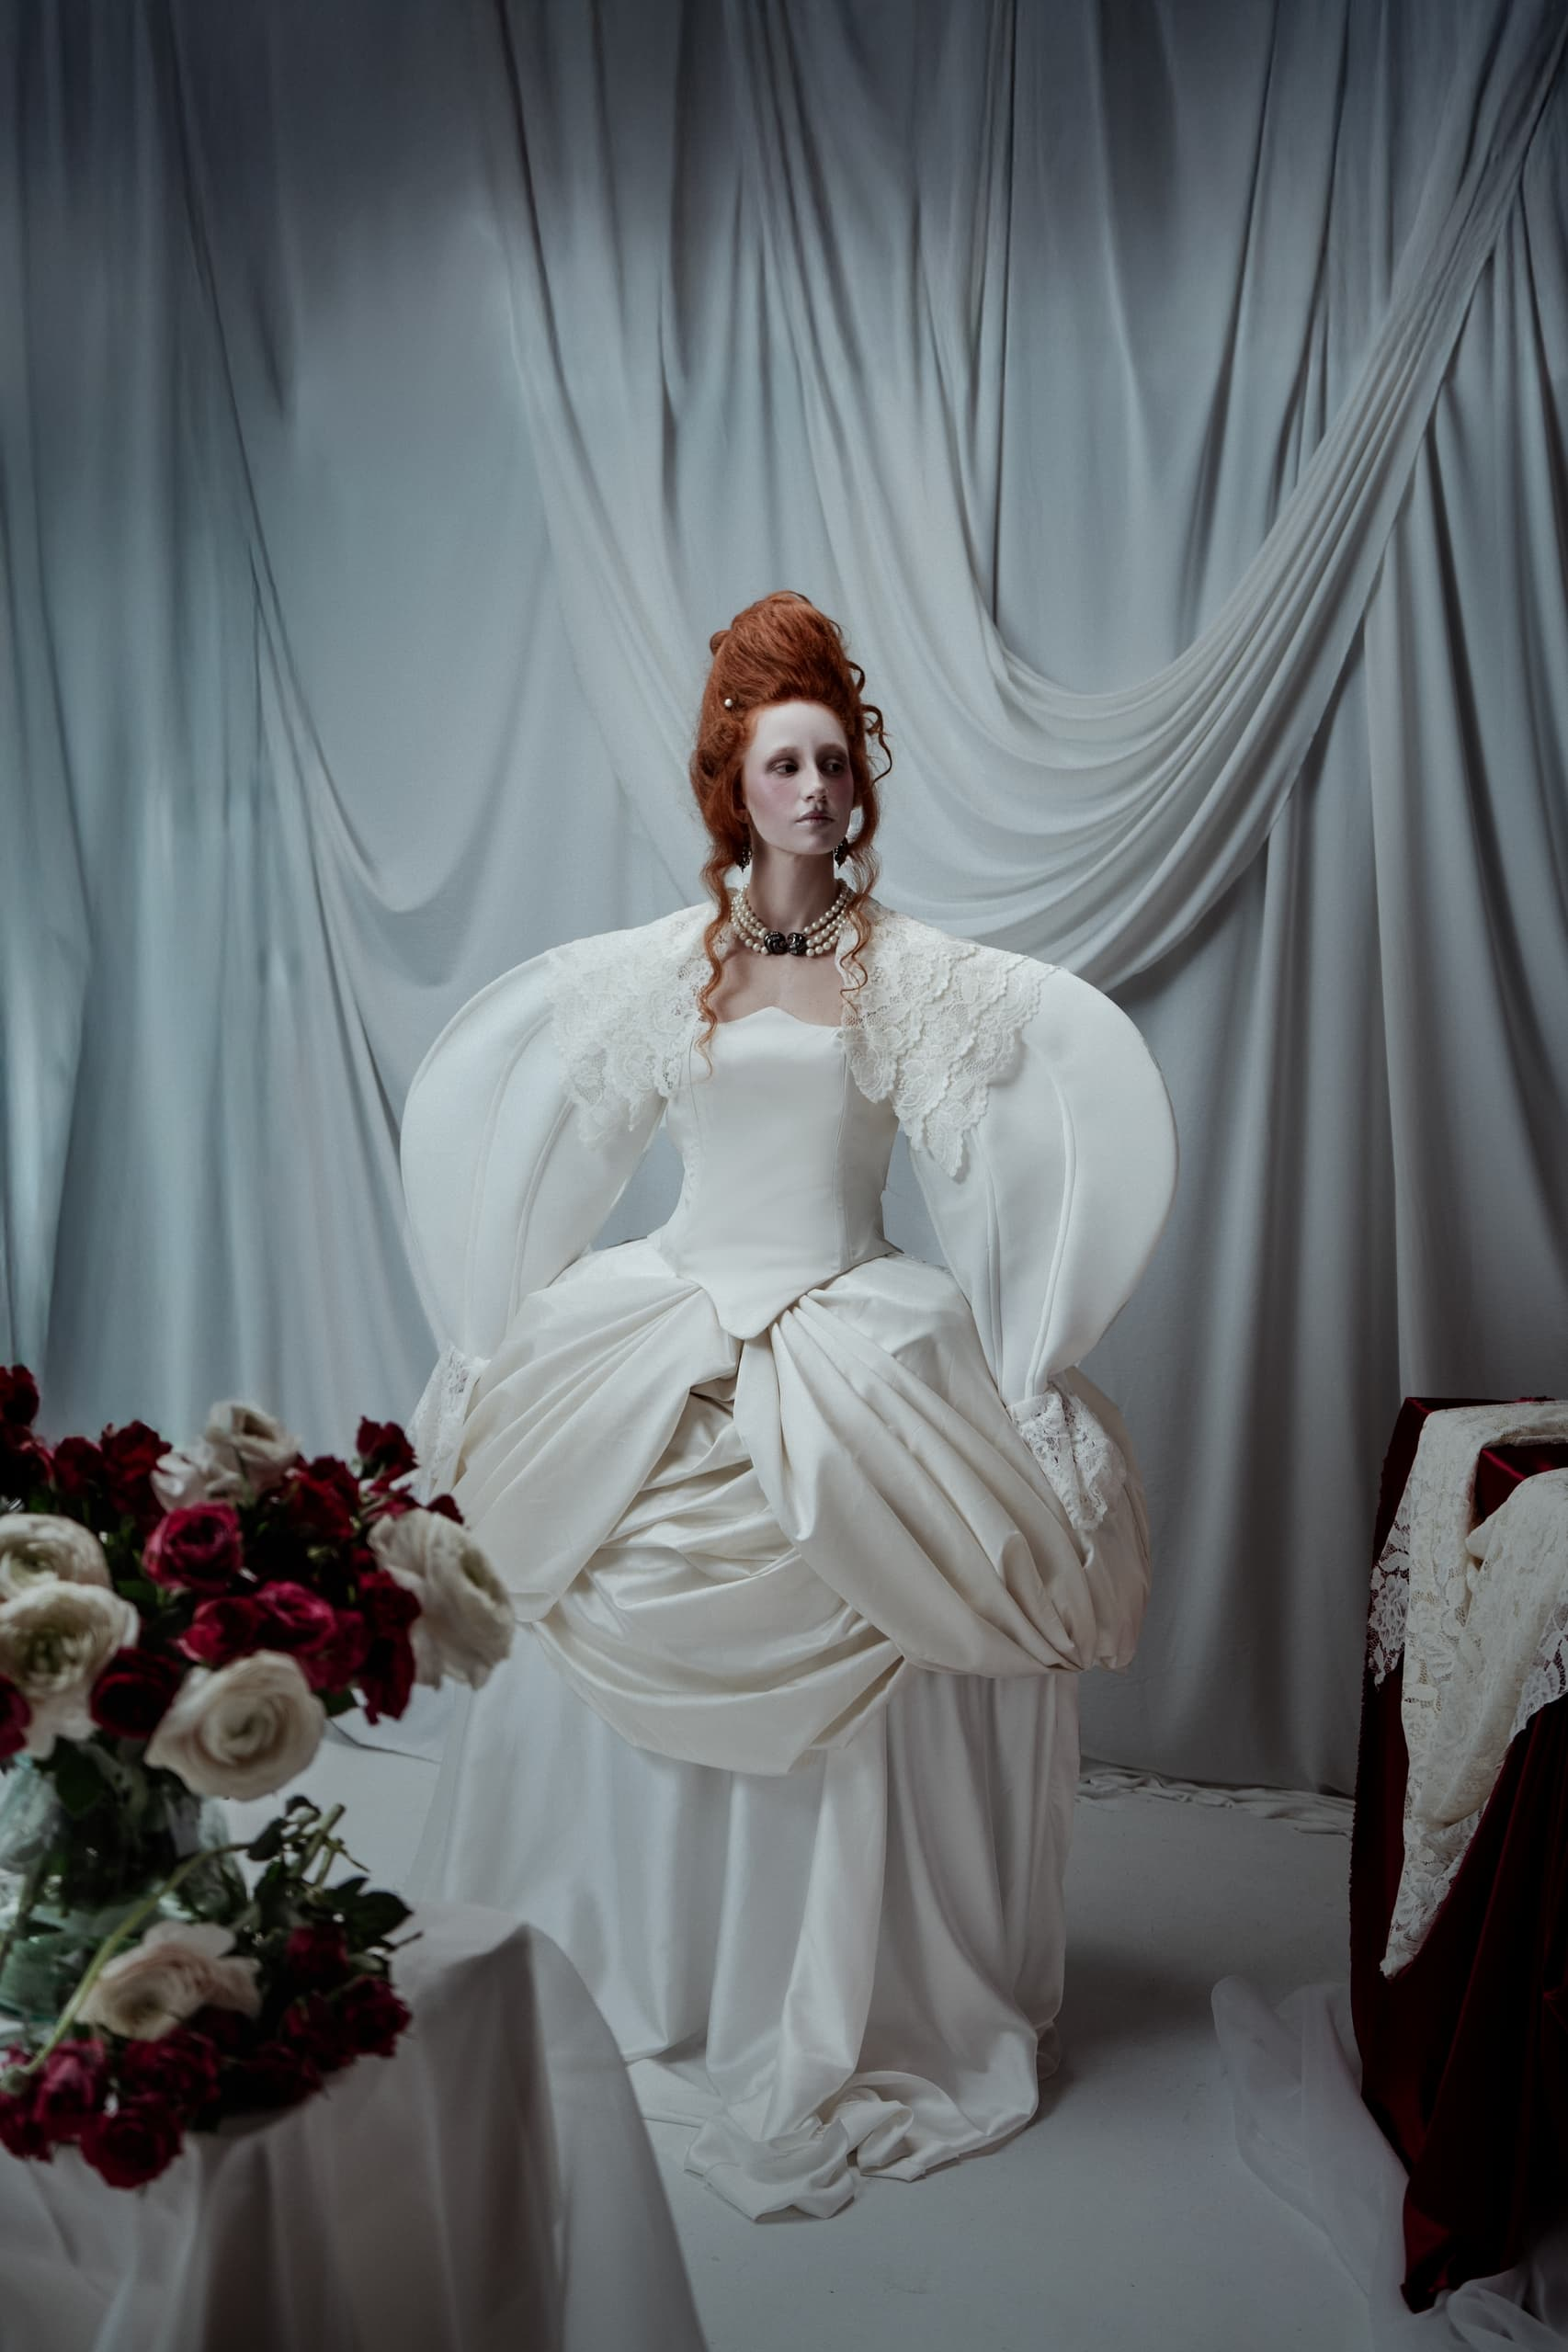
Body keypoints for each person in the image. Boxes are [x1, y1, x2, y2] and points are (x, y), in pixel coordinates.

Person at [397, 590, 1177, 2219]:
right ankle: (637, 1956)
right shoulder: (664, 971)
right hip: (677, 1305)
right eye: (784, 766)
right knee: (568, 1545)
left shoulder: (909, 977)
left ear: (858, 778)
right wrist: (490, 1342)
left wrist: (1025, 1358)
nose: (816, 791)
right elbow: (546, 1131)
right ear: (731, 790)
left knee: (921, 1558)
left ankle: (853, 1990)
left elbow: (1024, 1144)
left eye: (833, 761)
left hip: (852, 1321)